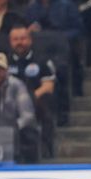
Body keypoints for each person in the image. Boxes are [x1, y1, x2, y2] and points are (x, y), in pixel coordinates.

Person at [7, 24, 56, 158]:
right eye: (15, 39)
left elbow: (48, 86)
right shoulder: (4, 62)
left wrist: (29, 99)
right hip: (8, 103)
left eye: (23, 38)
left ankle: (46, 150)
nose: (19, 42)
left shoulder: (42, 60)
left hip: (35, 101)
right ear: (10, 42)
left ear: (30, 40)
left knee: (47, 103)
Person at [0, 50, 39, 163]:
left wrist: (14, 129)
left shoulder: (16, 85)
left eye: (0, 69)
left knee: (28, 132)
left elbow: (27, 115)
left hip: (14, 131)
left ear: (6, 70)